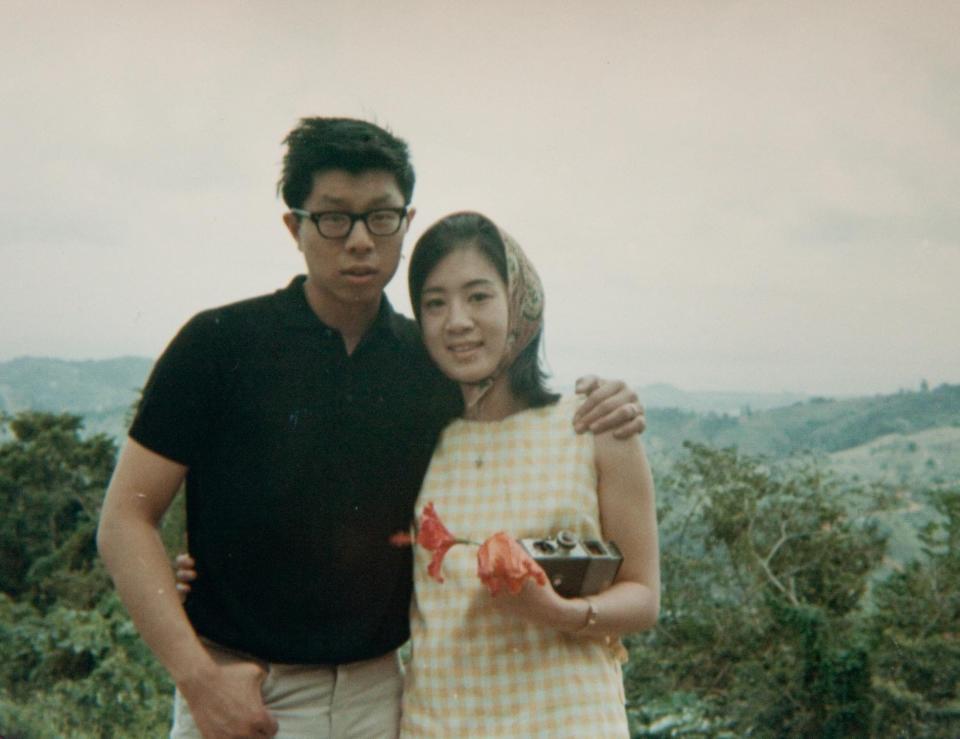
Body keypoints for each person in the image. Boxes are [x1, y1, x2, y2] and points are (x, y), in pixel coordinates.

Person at [96, 117, 645, 739]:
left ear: (406, 224)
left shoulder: (429, 364)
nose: (359, 240)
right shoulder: (219, 345)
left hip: (384, 699)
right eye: (334, 217)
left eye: (380, 217)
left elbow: (512, 424)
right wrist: (199, 680)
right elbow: (124, 520)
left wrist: (610, 401)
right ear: (294, 226)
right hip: (245, 693)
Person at [399, 212, 660, 736]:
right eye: (435, 303)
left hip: (565, 719)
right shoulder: (417, 443)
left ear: (520, 300)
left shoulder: (592, 425)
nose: (457, 321)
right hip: (440, 723)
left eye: (478, 297)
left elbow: (642, 595)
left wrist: (562, 613)